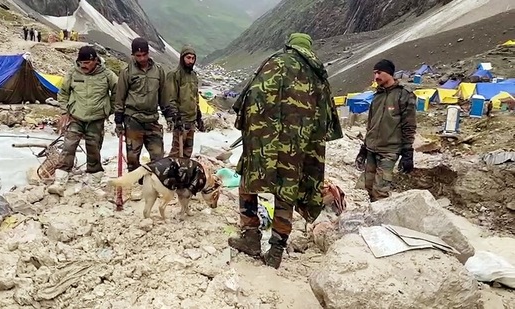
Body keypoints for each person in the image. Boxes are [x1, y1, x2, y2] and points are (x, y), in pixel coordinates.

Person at [228, 33, 343, 269]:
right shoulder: (320, 77)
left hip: (265, 143)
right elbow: (328, 121)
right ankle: (276, 250)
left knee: (249, 182)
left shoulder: (274, 61)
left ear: (290, 44)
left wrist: (251, 130)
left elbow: (250, 97)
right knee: (286, 191)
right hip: (297, 148)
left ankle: (250, 237)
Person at [48, 46, 118, 196]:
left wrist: (108, 109)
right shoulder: (73, 73)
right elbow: (63, 93)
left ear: (95, 61)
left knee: (94, 150)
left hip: (96, 119)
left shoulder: (107, 74)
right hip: (76, 117)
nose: (83, 66)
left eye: (87, 62)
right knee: (68, 147)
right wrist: (65, 111)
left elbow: (118, 92)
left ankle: (94, 183)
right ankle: (59, 182)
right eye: (81, 63)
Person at [114, 37, 178, 183]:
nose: (142, 58)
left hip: (152, 119)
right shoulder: (127, 72)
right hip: (133, 119)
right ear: (133, 55)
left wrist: (168, 115)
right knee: (132, 157)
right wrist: (118, 121)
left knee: (158, 155)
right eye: (138, 55)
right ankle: (137, 182)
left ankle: (156, 181)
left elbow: (163, 95)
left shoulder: (159, 71)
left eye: (144, 54)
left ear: (149, 53)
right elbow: (120, 97)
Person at [354, 59, 417, 202]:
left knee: (380, 190)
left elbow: (409, 124)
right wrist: (364, 149)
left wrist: (408, 152)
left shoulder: (404, 94)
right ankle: (374, 217)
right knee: (369, 186)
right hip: (371, 149)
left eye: (379, 73)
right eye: (374, 73)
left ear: (389, 73)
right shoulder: (377, 96)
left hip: (389, 151)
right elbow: (371, 124)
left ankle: (382, 221)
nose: (376, 77)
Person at [166, 45, 204, 158]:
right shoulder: (174, 75)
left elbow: (195, 96)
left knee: (188, 151)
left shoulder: (193, 76)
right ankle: (172, 174)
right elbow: (170, 98)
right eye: (188, 58)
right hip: (181, 120)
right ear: (182, 58)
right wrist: (175, 118)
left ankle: (184, 174)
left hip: (191, 120)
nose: (190, 61)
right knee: (177, 152)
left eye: (193, 58)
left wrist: (198, 116)